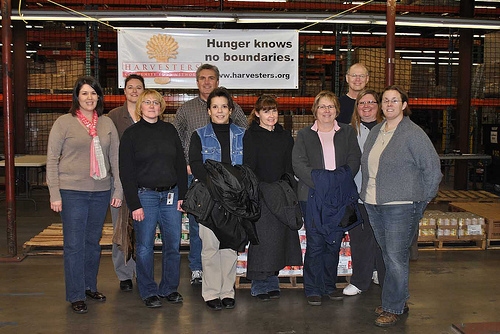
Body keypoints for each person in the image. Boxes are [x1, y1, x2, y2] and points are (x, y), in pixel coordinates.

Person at [360, 85, 442, 327]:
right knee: (389, 255)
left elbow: (432, 169)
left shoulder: (413, 133)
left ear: (404, 106)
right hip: (375, 202)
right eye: (385, 100)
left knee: (396, 258)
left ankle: (393, 307)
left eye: (394, 100)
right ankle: (396, 300)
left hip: (402, 205)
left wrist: (423, 199)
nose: (389, 104)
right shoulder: (377, 131)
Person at [46, 76, 123, 314]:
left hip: (100, 192)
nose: (89, 98)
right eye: (85, 93)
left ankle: (90, 286)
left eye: (93, 93)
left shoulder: (107, 123)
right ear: (77, 97)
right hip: (72, 192)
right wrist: (54, 193)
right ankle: (76, 294)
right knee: (74, 244)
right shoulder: (64, 123)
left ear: (99, 97)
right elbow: (51, 159)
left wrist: (118, 188)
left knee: (93, 243)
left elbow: (115, 160)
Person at [174, 64, 247, 285]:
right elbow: (176, 138)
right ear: (197, 82)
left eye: (211, 78)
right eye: (203, 78)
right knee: (200, 225)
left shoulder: (234, 109)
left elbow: (244, 135)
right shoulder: (186, 109)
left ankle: (224, 284)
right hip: (198, 176)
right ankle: (197, 269)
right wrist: (185, 164)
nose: (207, 82)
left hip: (232, 184)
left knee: (227, 232)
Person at [119, 89, 188, 308]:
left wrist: (182, 196)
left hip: (171, 195)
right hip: (145, 196)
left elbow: (179, 164)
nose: (151, 106)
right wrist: (134, 204)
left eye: (156, 102)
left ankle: (169, 289)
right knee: (145, 247)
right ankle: (148, 290)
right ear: (140, 106)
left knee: (172, 245)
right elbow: (126, 172)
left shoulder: (169, 130)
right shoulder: (131, 134)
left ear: (161, 107)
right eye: (147, 102)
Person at [292, 90, 361, 306]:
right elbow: (298, 164)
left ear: (336, 110)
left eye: (331, 106)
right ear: (315, 110)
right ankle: (312, 287)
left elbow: (354, 161)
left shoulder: (348, 132)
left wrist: (335, 183)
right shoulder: (304, 135)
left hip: (340, 198)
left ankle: (329, 286)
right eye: (322, 106)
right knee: (315, 243)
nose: (327, 111)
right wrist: (322, 183)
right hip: (312, 196)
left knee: (334, 242)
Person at [189, 87, 245, 311]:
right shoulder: (199, 135)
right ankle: (211, 292)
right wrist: (216, 189)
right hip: (210, 198)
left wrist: (234, 191)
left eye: (224, 106)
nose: (220, 111)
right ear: (209, 111)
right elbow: (195, 165)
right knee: (210, 247)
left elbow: (246, 166)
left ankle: (227, 291)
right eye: (215, 107)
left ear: (230, 110)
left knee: (230, 247)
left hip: (235, 199)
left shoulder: (242, 134)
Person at [243, 95, 302, 301]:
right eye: (266, 111)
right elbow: (248, 166)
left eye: (274, 110)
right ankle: (259, 284)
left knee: (278, 240)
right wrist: (258, 191)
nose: (271, 115)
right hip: (260, 193)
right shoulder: (250, 135)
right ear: (257, 113)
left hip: (280, 193)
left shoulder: (285, 136)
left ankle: (272, 281)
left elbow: (289, 166)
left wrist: (285, 188)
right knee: (261, 241)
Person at [343, 89, 385, 297]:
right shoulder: (348, 131)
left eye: (371, 102)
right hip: (357, 195)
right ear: (356, 108)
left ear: (379, 106)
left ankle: (379, 271)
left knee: (382, 239)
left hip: (383, 197)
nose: (366, 106)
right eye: (362, 103)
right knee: (359, 238)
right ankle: (360, 280)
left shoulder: (387, 130)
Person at [107, 74, 145, 292]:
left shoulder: (149, 112)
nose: (134, 91)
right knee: (121, 228)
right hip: (120, 182)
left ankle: (142, 270)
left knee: (143, 229)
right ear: (124, 91)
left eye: (138, 87)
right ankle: (124, 274)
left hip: (145, 181)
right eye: (130, 87)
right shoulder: (114, 116)